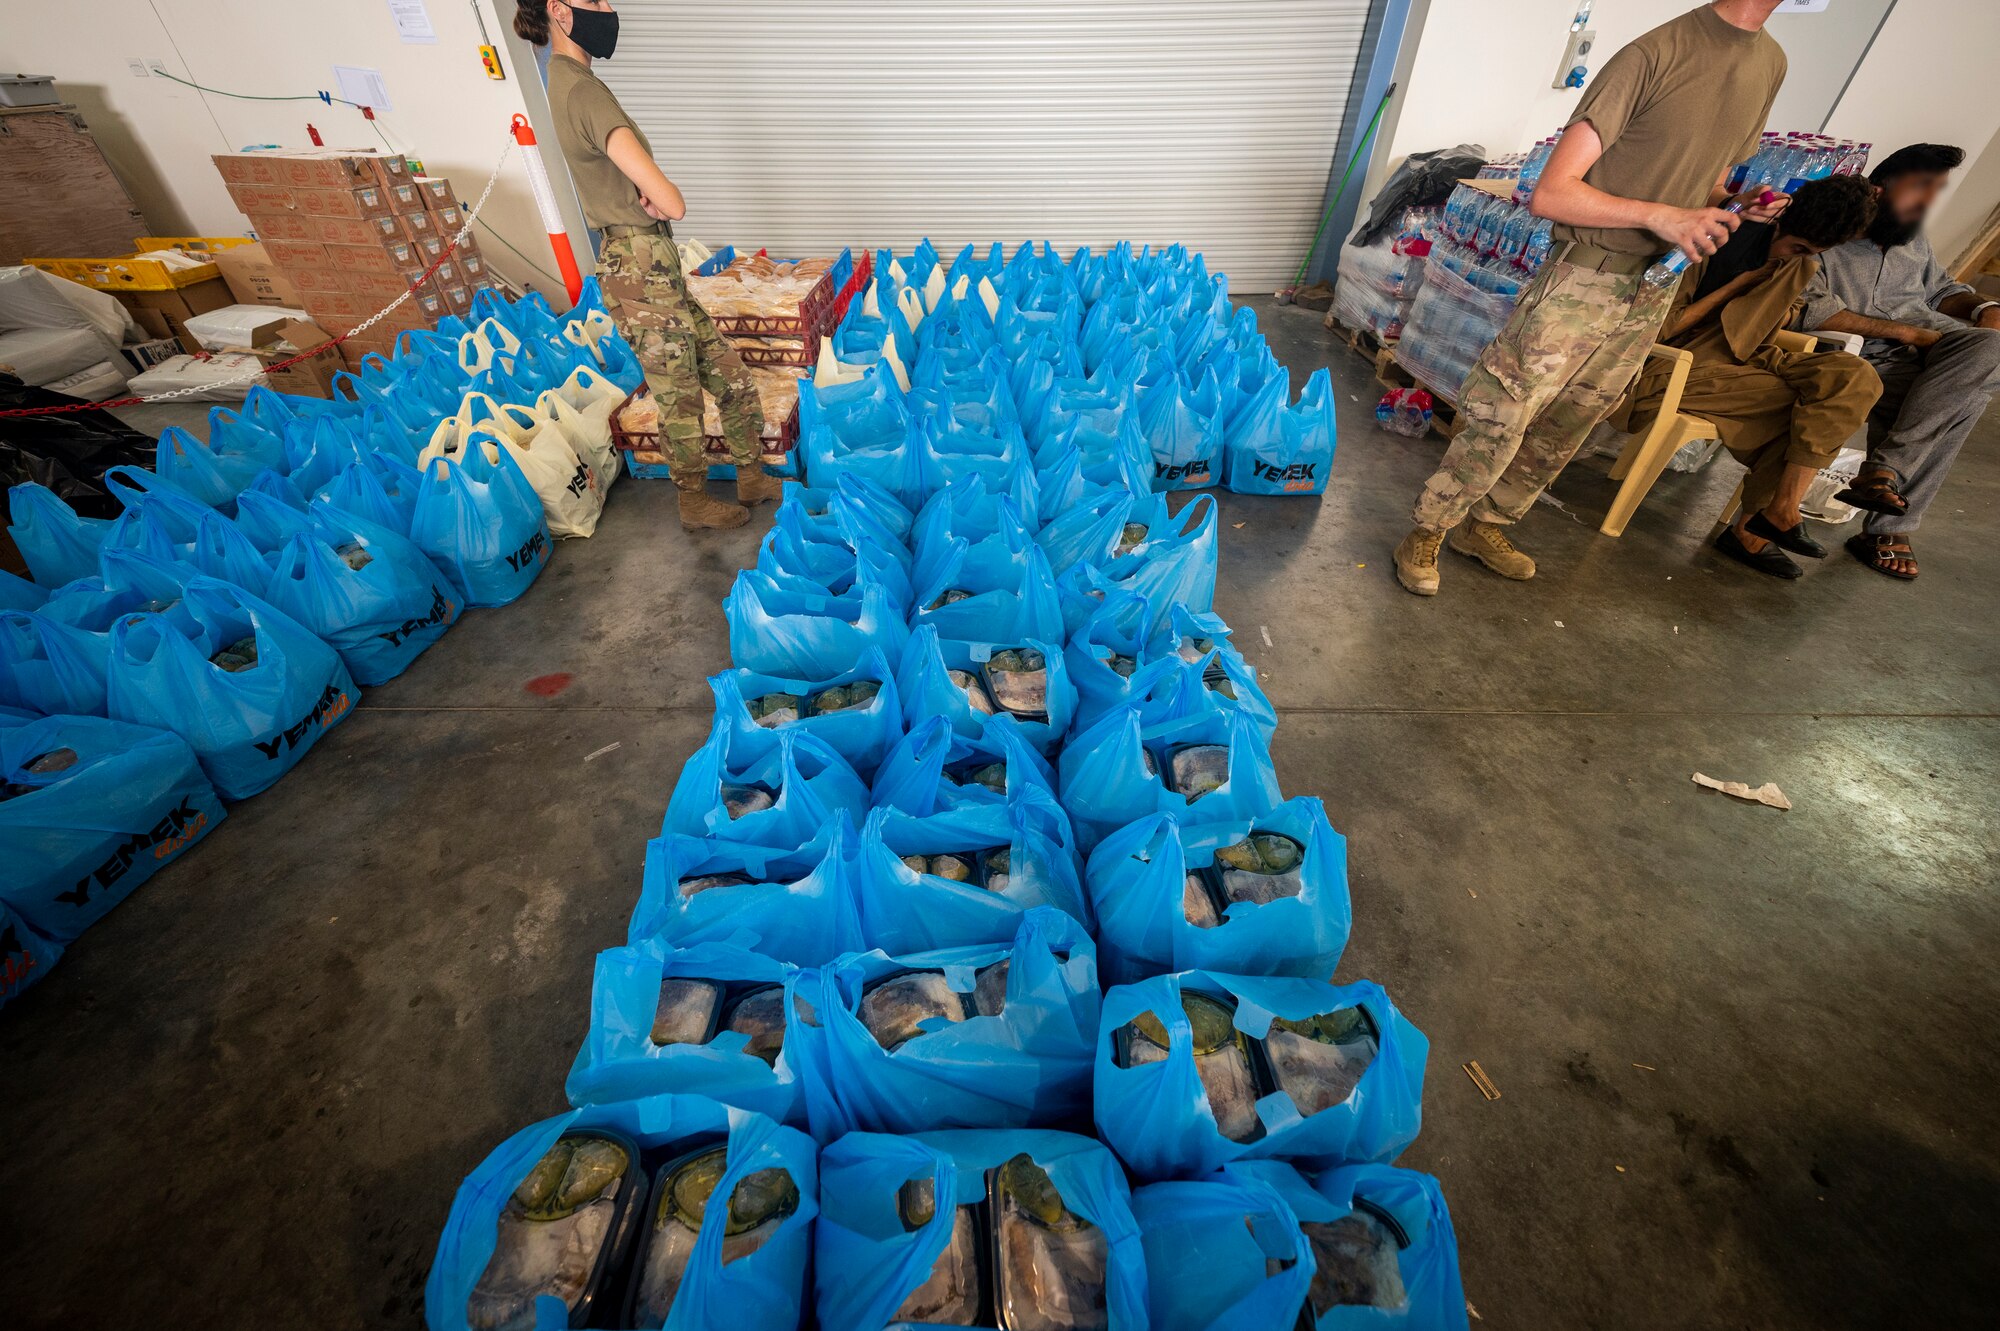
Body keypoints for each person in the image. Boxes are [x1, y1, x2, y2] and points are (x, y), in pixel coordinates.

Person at [1392, 0, 1790, 597]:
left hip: (1653, 286)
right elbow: (1551, 194)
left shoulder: (1770, 62)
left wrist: (1738, 202)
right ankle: (1428, 529)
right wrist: (1662, 216)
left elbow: (1702, 177)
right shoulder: (1654, 55)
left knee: (1570, 422)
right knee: (1505, 414)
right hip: (1583, 277)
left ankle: (1488, 526)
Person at [514, 0, 778, 531]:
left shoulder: (568, 82)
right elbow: (672, 201)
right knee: (678, 395)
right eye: (594, 1)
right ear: (558, 10)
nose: (607, 10)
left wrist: (650, 200)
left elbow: (635, 188)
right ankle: (694, 502)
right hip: (639, 269)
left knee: (730, 376)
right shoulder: (580, 90)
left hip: (648, 260)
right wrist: (661, 197)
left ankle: (751, 474)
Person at [1624, 175, 1880, 580]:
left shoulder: (1799, 260)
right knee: (1803, 411)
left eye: (1814, 253)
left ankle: (1780, 510)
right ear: (1778, 222)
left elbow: (1766, 326)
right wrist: (1739, 286)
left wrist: (1778, 296)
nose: (1800, 258)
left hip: (1748, 358)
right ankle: (1753, 528)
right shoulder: (1713, 240)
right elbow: (1661, 328)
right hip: (1679, 362)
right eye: (1797, 247)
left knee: (1856, 377)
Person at [1799, 143, 2000, 580]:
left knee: (1987, 350)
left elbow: (1943, 291)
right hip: (1862, 355)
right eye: (1921, 187)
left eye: (1938, 189)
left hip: (1937, 351)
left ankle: (1884, 470)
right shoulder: (1829, 234)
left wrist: (1986, 310)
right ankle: (1888, 524)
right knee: (1963, 399)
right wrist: (1910, 333)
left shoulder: (1912, 238)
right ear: (1878, 189)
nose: (1929, 200)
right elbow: (1813, 310)